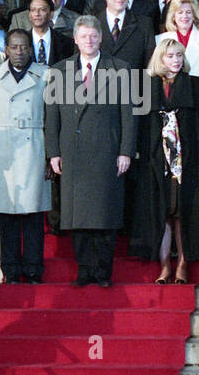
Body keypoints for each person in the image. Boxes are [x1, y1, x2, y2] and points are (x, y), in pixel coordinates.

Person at [43, 16, 137, 288]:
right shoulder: (59, 71)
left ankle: (103, 273)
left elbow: (129, 116)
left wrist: (126, 151)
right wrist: (53, 152)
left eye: (93, 36)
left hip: (108, 151)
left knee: (104, 216)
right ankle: (84, 270)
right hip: (72, 152)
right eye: (83, 36)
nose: (89, 41)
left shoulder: (120, 68)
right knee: (78, 217)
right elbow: (52, 116)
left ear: (101, 38)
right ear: (75, 39)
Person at [129, 39, 199, 283]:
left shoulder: (198, 85)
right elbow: (139, 127)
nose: (176, 61)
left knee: (181, 212)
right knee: (162, 212)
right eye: (170, 56)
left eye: (179, 55)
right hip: (156, 160)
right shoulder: (146, 86)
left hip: (188, 160)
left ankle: (181, 264)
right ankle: (164, 266)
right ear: (160, 58)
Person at [0, 33, 51, 284]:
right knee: (7, 215)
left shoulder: (47, 74)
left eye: (24, 47)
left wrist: (52, 155)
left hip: (35, 147)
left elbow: (52, 119)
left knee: (33, 214)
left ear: (31, 50)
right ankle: (10, 269)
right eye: (14, 47)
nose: (19, 51)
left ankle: (33, 269)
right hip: (3, 149)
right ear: (6, 49)